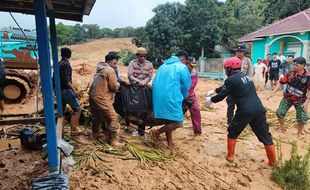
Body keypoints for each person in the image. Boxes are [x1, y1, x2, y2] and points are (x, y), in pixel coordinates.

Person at [205, 57, 276, 166]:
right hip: (259, 109)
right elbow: (226, 87)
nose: (225, 71)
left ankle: (230, 157)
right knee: (265, 136)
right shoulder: (245, 77)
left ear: (230, 68)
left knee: (232, 131)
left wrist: (211, 100)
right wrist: (214, 90)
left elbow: (222, 95)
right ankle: (272, 162)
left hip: (245, 110)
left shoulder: (231, 79)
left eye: (226, 69)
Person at [150, 50, 191, 148]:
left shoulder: (162, 66)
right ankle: (157, 132)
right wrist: (184, 96)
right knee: (178, 122)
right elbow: (186, 85)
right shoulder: (181, 67)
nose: (185, 63)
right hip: (172, 97)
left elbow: (154, 82)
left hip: (158, 96)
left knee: (170, 120)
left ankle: (170, 143)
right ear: (183, 59)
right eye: (185, 61)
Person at [268, 57, 310, 137]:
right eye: (293, 64)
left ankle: (299, 132)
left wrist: (307, 102)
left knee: (302, 118)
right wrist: (273, 92)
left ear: (303, 65)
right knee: (279, 113)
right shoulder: (290, 73)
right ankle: (282, 126)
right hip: (287, 98)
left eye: (296, 65)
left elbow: (309, 90)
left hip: (300, 100)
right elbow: (281, 83)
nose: (294, 66)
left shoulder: (307, 76)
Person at [89, 53, 120, 145]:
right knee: (113, 117)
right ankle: (113, 140)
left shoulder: (100, 68)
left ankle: (95, 134)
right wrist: (118, 84)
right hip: (101, 97)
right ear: (109, 62)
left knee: (97, 116)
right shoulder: (109, 70)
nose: (115, 66)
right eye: (114, 63)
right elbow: (113, 86)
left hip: (92, 96)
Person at [127, 47, 153, 136]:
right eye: (140, 56)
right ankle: (129, 123)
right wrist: (138, 82)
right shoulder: (132, 63)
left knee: (146, 107)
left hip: (144, 87)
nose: (142, 58)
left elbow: (149, 76)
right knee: (131, 106)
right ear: (137, 56)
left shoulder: (149, 64)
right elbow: (130, 75)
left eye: (144, 56)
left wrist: (144, 82)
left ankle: (143, 128)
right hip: (134, 87)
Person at [59, 47, 82, 136]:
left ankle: (61, 130)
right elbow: (66, 80)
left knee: (62, 111)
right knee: (77, 108)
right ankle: (74, 130)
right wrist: (74, 90)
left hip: (59, 90)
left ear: (61, 54)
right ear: (70, 55)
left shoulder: (60, 63)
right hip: (65, 90)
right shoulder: (66, 64)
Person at [185, 57, 202, 135]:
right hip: (179, 94)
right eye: (191, 66)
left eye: (193, 66)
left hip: (190, 95)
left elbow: (191, 86)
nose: (192, 68)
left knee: (196, 110)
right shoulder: (180, 71)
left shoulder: (194, 74)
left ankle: (197, 131)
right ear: (186, 63)